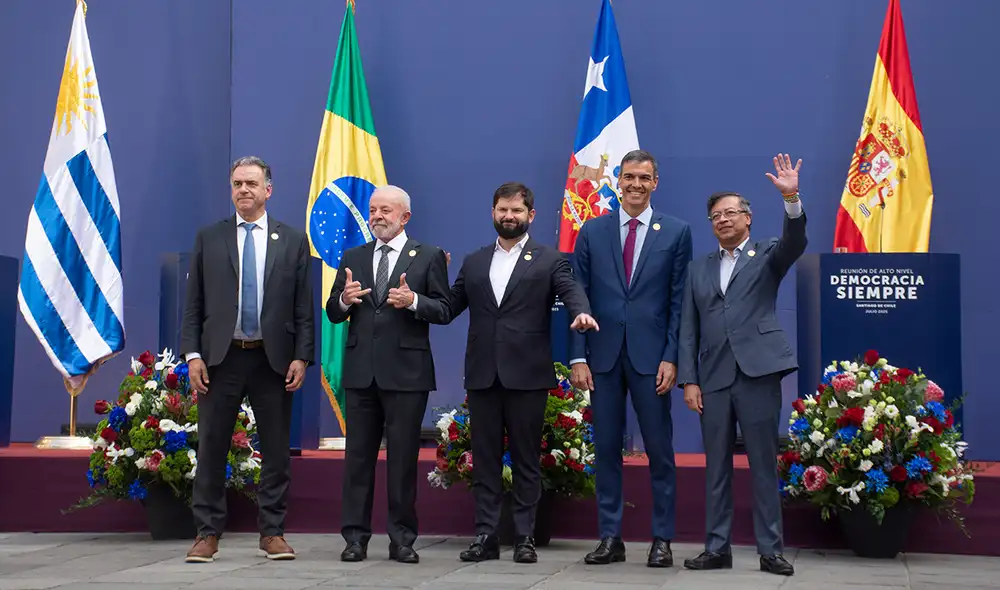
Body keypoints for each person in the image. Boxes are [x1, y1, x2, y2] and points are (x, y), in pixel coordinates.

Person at [402, 182, 598, 564]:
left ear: (531, 215)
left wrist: (580, 312)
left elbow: (570, 289)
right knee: (486, 459)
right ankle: (486, 536)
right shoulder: (474, 261)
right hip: (482, 375)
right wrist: (413, 301)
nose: (509, 216)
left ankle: (524, 537)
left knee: (526, 459)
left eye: (517, 211)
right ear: (493, 213)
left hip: (527, 375)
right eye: (503, 210)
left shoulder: (549, 259)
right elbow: (447, 309)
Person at [678, 154, 806, 577]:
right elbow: (688, 329)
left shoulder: (768, 252)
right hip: (712, 378)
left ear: (748, 218)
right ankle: (717, 548)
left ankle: (771, 550)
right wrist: (689, 381)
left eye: (731, 213)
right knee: (715, 467)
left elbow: (795, 243)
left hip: (757, 372)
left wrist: (791, 198)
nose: (723, 220)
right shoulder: (698, 269)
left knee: (764, 464)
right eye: (716, 215)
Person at [181, 156, 315, 563]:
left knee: (276, 452)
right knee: (211, 448)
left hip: (272, 362)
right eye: (237, 183)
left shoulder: (292, 240)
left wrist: (303, 358)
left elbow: (302, 309)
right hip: (221, 360)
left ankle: (272, 533)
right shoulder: (210, 237)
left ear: (268, 190)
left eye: (252, 184)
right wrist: (193, 355)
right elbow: (194, 305)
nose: (244, 190)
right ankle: (207, 533)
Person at [569, 150, 693, 567]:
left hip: (652, 359)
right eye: (628, 177)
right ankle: (610, 537)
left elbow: (680, 302)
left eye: (644, 178)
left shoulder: (676, 232)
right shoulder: (591, 231)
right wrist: (576, 357)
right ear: (616, 181)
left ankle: (662, 539)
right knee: (605, 449)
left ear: (656, 182)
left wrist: (672, 356)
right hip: (602, 357)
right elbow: (576, 297)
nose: (636, 184)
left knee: (659, 450)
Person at [326, 185, 451, 565]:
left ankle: (402, 539)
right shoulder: (354, 256)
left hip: (407, 374)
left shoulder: (428, 256)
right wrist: (344, 299)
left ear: (405, 217)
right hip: (361, 372)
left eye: (385, 210)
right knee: (357, 460)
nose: (377, 216)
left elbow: (444, 309)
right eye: (373, 209)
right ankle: (355, 539)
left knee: (402, 461)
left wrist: (413, 301)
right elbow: (333, 311)